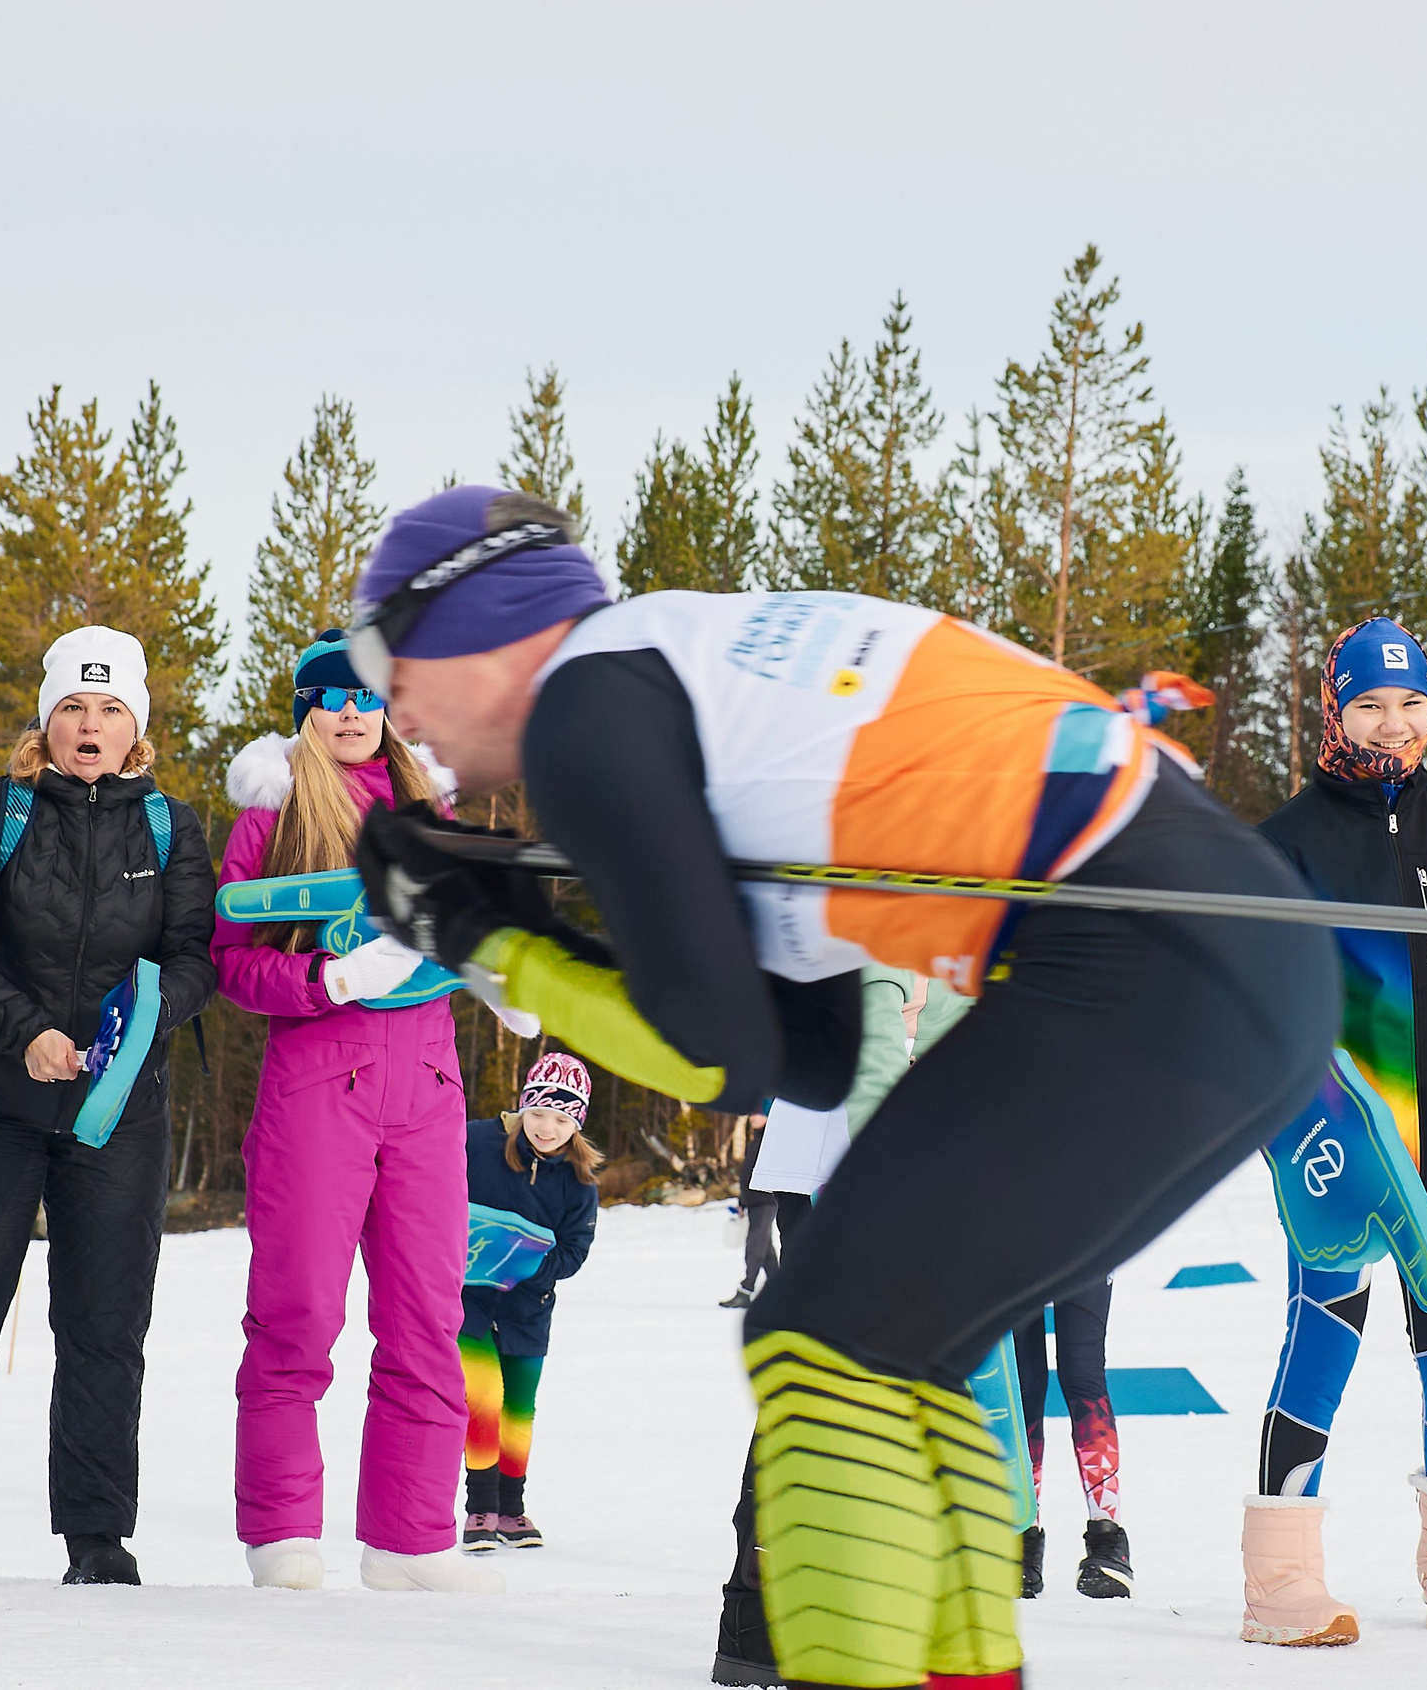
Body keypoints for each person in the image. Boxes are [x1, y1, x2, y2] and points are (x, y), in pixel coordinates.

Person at [347, 485, 1339, 1690]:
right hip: (1229, 959)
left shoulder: (584, 703)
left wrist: (484, 932)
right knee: (901, 1351)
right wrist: (515, 926)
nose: (394, 706)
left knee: (826, 1344)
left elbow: (708, 1045)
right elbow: (795, 1051)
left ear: (477, 623)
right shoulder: (685, 673)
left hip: (1136, 954)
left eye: (388, 659)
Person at [0, 626, 218, 1591]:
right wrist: (22, 1030)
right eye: (73, 707)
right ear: (47, 722)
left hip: (118, 1116)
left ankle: (98, 1536)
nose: (90, 725)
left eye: (109, 709)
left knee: (106, 1324)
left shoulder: (172, 828)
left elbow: (197, 957)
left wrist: (144, 1015)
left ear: (136, 727)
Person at [1235, 618, 1427, 1644]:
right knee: (1323, 1338)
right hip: (1340, 1147)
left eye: (1410, 704)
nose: (1393, 723)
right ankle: (1280, 1582)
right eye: (1369, 704)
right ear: (1334, 710)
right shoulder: (1285, 844)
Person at [215, 628, 508, 1595]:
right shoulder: (275, 814)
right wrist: (329, 977)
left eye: (367, 696)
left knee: (428, 1316)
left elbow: (471, 925)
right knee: (298, 1311)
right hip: (317, 1085)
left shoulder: (431, 808)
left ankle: (411, 1538)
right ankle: (282, 1530)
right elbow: (233, 960)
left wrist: (501, 972)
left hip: (426, 1088)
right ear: (306, 710)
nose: (350, 713)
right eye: (331, 697)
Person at [459, 1050, 601, 1552]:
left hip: (528, 1307)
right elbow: (429, 1185)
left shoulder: (579, 1180)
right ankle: (480, 1510)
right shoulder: (475, 1141)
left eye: (561, 1119)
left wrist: (523, 1264)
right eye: (538, 1113)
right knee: (483, 1399)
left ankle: (511, 1510)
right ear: (523, 1107)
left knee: (518, 1409)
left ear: (576, 1124)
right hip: (468, 1301)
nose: (546, 1128)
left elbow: (574, 1251)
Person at [1011, 1282, 1128, 1600]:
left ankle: (1108, 1542)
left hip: (1082, 1250)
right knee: (1022, 1383)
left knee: (1082, 1373)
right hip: (1011, 1253)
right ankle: (1022, 1535)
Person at [721, 1116, 777, 1309]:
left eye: (757, 1113)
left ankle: (746, 1290)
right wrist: (742, 1202)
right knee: (765, 1249)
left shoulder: (772, 1139)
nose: (752, 1117)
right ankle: (780, 1288)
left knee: (755, 1246)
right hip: (754, 1202)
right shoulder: (756, 1140)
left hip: (766, 1201)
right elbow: (748, 1175)